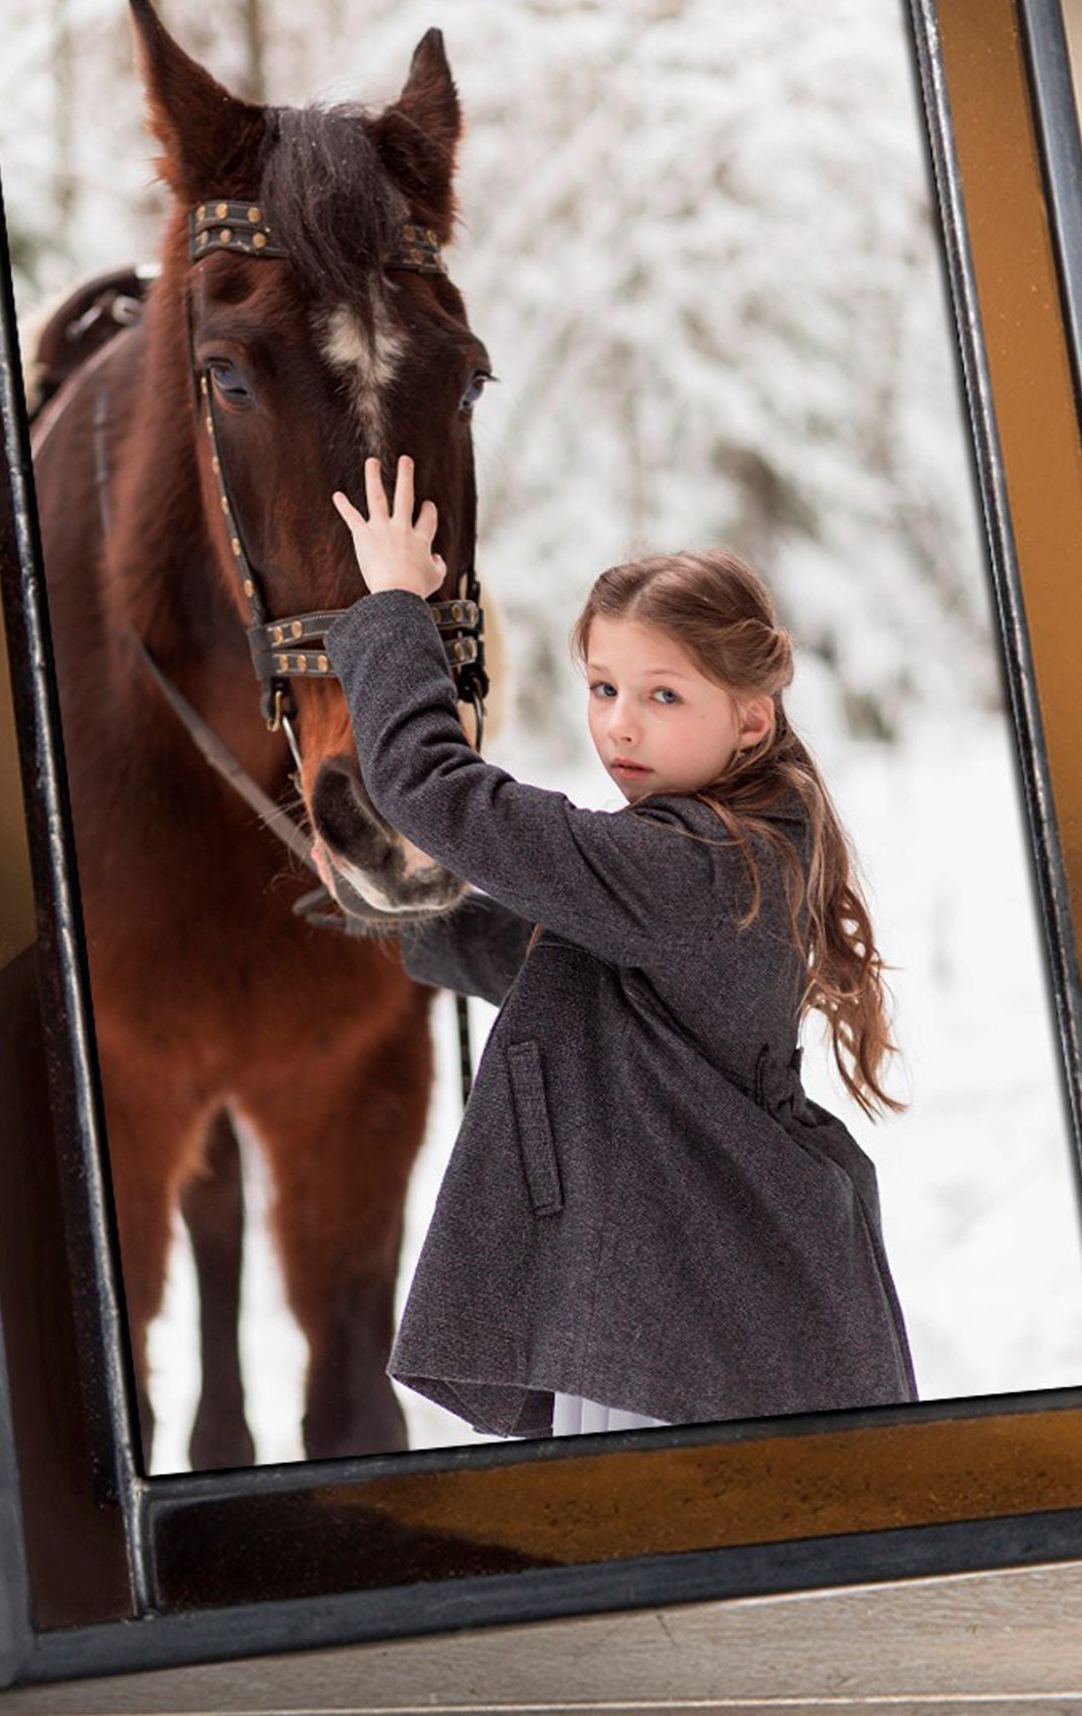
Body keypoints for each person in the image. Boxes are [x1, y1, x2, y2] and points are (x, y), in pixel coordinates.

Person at [319, 457, 919, 1440]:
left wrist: (393, 604)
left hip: (698, 1332)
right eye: (601, 687)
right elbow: (548, 961)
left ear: (751, 717)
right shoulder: (721, 841)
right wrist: (387, 902)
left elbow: (437, 790)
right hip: (688, 1297)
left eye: (662, 695)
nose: (618, 724)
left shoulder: (698, 861)